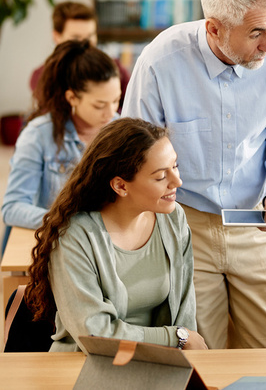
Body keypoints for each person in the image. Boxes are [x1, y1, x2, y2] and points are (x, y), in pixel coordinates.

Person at [122, 0, 266, 349]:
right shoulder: (161, 60)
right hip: (183, 225)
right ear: (214, 28)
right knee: (201, 355)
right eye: (256, 33)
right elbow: (135, 152)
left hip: (255, 220)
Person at [24, 118, 207, 352]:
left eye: (175, 166)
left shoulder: (173, 219)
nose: (177, 181)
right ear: (121, 186)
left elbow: (185, 312)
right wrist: (175, 337)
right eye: (161, 176)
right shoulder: (75, 235)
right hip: (87, 363)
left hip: (158, 362)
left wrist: (183, 351)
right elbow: (95, 334)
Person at [2, 40, 121, 230]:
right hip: (59, 238)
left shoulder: (120, 129)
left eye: (116, 101)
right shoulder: (38, 135)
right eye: (99, 105)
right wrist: (71, 222)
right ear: (72, 97)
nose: (110, 112)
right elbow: (12, 208)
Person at [29, 1, 131, 110]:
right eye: (76, 38)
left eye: (90, 35)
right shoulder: (42, 76)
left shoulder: (114, 67)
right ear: (56, 37)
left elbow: (131, 106)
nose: (86, 43)